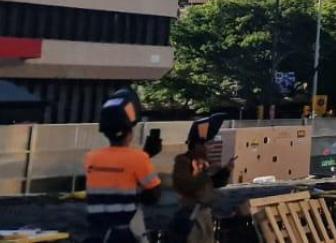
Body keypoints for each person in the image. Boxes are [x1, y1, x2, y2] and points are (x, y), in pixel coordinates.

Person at [84, 90, 163, 243]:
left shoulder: (91, 157)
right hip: (123, 234)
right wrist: (147, 156)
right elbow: (153, 196)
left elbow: (116, 178)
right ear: (130, 132)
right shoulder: (139, 158)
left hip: (96, 232)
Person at [165, 115, 231, 243]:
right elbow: (188, 185)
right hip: (191, 215)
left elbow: (213, 183)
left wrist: (226, 171)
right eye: (206, 144)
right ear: (196, 146)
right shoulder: (183, 162)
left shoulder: (203, 163)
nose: (209, 147)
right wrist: (200, 172)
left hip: (204, 214)